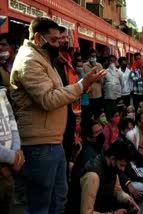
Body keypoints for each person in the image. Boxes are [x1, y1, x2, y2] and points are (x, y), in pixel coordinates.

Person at [10, 17, 105, 213]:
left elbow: (58, 94)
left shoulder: (43, 59)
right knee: (41, 206)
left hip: (52, 141)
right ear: (37, 37)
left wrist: (80, 89)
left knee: (58, 200)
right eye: (53, 40)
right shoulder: (29, 61)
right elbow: (48, 98)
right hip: (39, 145)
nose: (58, 45)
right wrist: (81, 85)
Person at [80, 141, 141, 214]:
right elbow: (86, 212)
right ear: (112, 159)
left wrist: (130, 200)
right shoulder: (93, 176)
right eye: (121, 165)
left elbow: (117, 191)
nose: (123, 169)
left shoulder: (111, 168)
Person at [53, 26, 79, 181]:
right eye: (60, 38)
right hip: (60, 112)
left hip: (71, 110)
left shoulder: (68, 61)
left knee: (68, 147)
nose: (65, 40)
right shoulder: (55, 61)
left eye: (66, 37)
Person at [0, 84, 24, 214]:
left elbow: (11, 119)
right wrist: (13, 157)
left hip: (7, 171)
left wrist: (16, 151)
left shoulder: (1, 91)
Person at [83, 49, 104, 119]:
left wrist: (95, 70)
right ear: (89, 57)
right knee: (88, 116)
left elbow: (101, 80)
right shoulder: (84, 66)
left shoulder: (99, 65)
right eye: (92, 56)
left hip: (98, 96)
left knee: (97, 116)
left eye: (95, 56)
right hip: (89, 96)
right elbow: (85, 79)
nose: (94, 58)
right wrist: (95, 78)